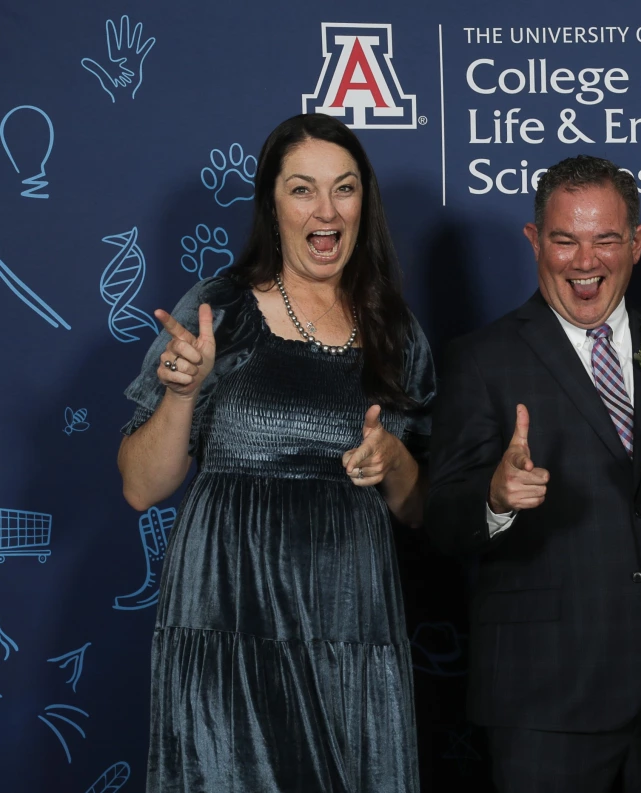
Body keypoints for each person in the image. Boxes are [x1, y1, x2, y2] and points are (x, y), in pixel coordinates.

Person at [117, 113, 434, 792]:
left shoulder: (397, 332)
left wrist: (393, 462)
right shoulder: (217, 311)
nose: (326, 211)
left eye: (344, 189)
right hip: (228, 614)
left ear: (363, 203)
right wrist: (182, 393)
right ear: (271, 203)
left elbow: (419, 509)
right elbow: (141, 487)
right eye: (303, 189)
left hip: (347, 621)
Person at [426, 155, 641, 792]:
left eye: (605, 240)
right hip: (544, 697)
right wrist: (494, 497)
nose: (585, 261)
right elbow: (439, 521)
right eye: (564, 239)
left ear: (637, 243)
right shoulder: (479, 360)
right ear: (534, 239)